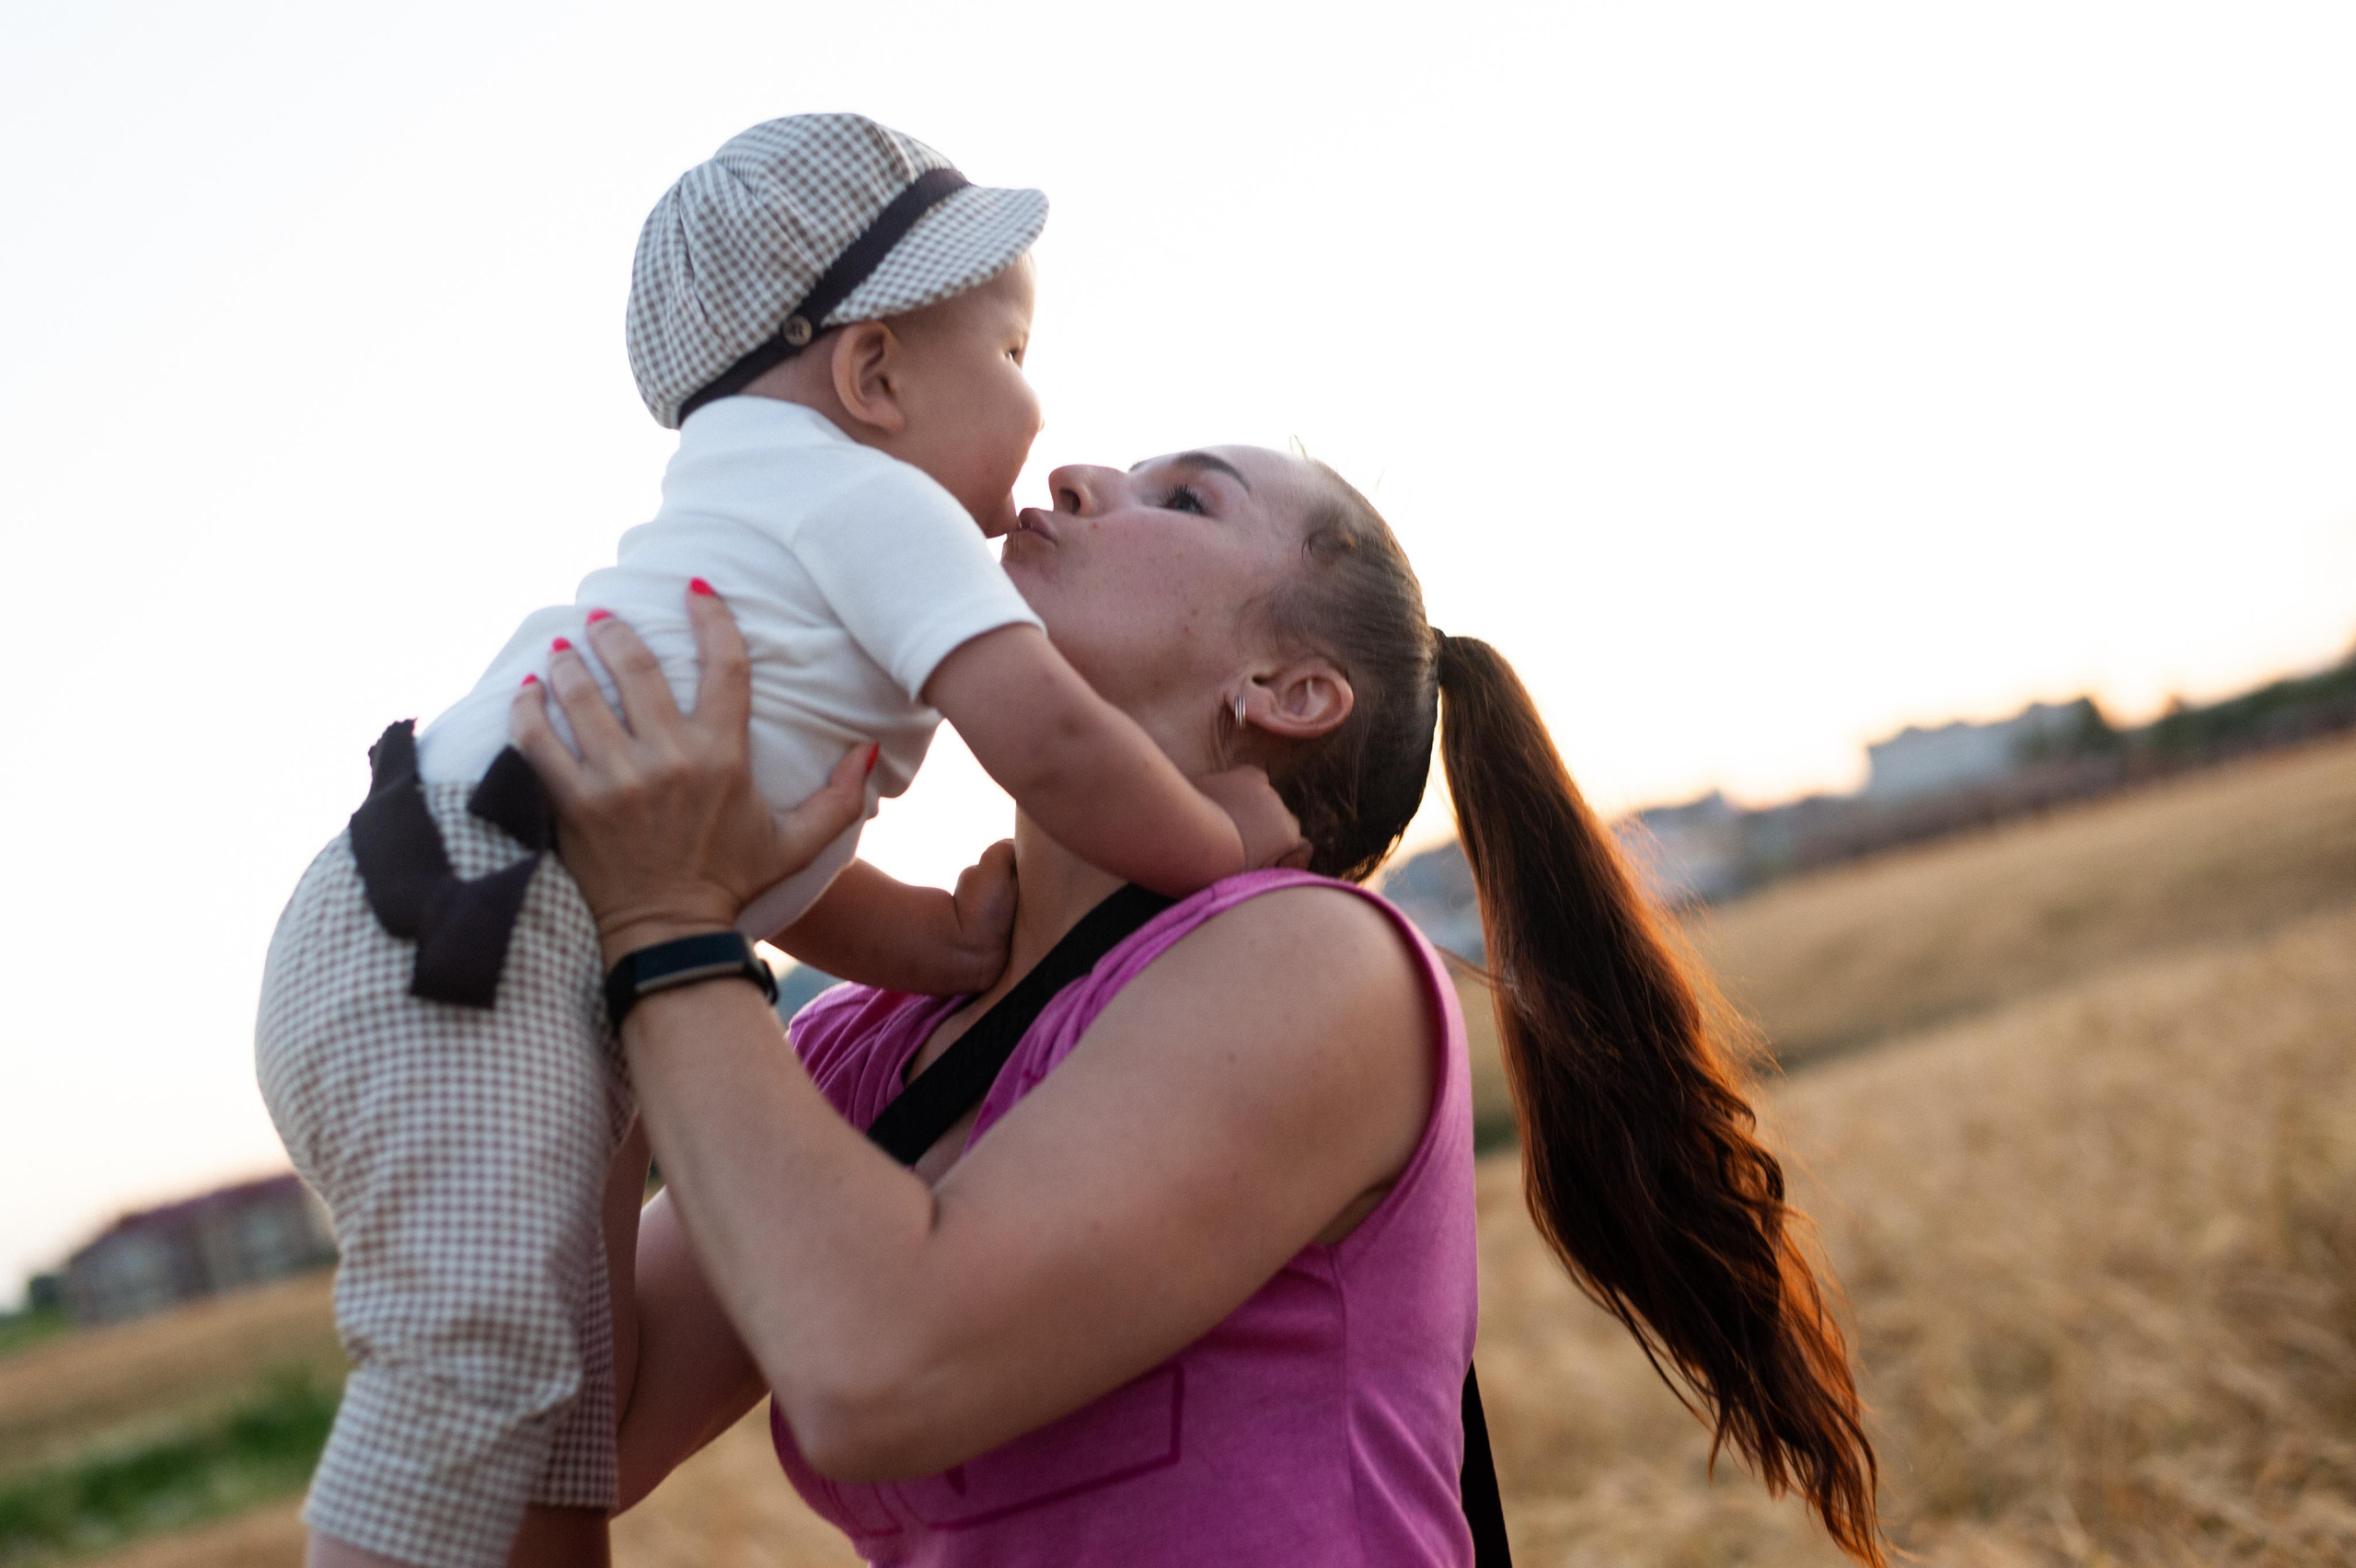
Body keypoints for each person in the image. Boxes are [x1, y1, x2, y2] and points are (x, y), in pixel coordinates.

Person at [509, 447, 1888, 1566]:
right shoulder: (867, 1041)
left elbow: (886, 1370)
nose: (1074, 477)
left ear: (1287, 693)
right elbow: (579, 1441)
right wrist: (600, 960)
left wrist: (672, 929)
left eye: (1185, 498)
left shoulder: (1312, 962)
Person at [255, 115, 1293, 1568]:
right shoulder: (876, 505)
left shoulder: (750, 538)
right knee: (473, 1344)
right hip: (478, 919)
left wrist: (927, 941)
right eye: (1007, 355)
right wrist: (1228, 853)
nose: (1041, 411)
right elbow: (1046, 737)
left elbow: (762, 866)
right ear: (872, 376)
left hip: (439, 913)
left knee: (555, 1396)